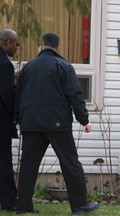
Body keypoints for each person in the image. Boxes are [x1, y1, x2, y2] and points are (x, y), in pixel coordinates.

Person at [15, 32, 99, 214]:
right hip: (57, 123)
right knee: (70, 163)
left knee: (28, 165)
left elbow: (18, 97)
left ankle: (23, 206)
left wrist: (20, 120)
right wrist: (84, 120)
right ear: (57, 48)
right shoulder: (63, 66)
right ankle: (80, 205)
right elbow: (75, 95)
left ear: (41, 46)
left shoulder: (28, 68)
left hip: (31, 123)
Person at [0, 29, 20, 211]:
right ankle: (9, 202)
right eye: (16, 44)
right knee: (4, 163)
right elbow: (7, 95)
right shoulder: (5, 65)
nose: (17, 47)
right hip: (1, 124)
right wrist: (16, 115)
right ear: (8, 43)